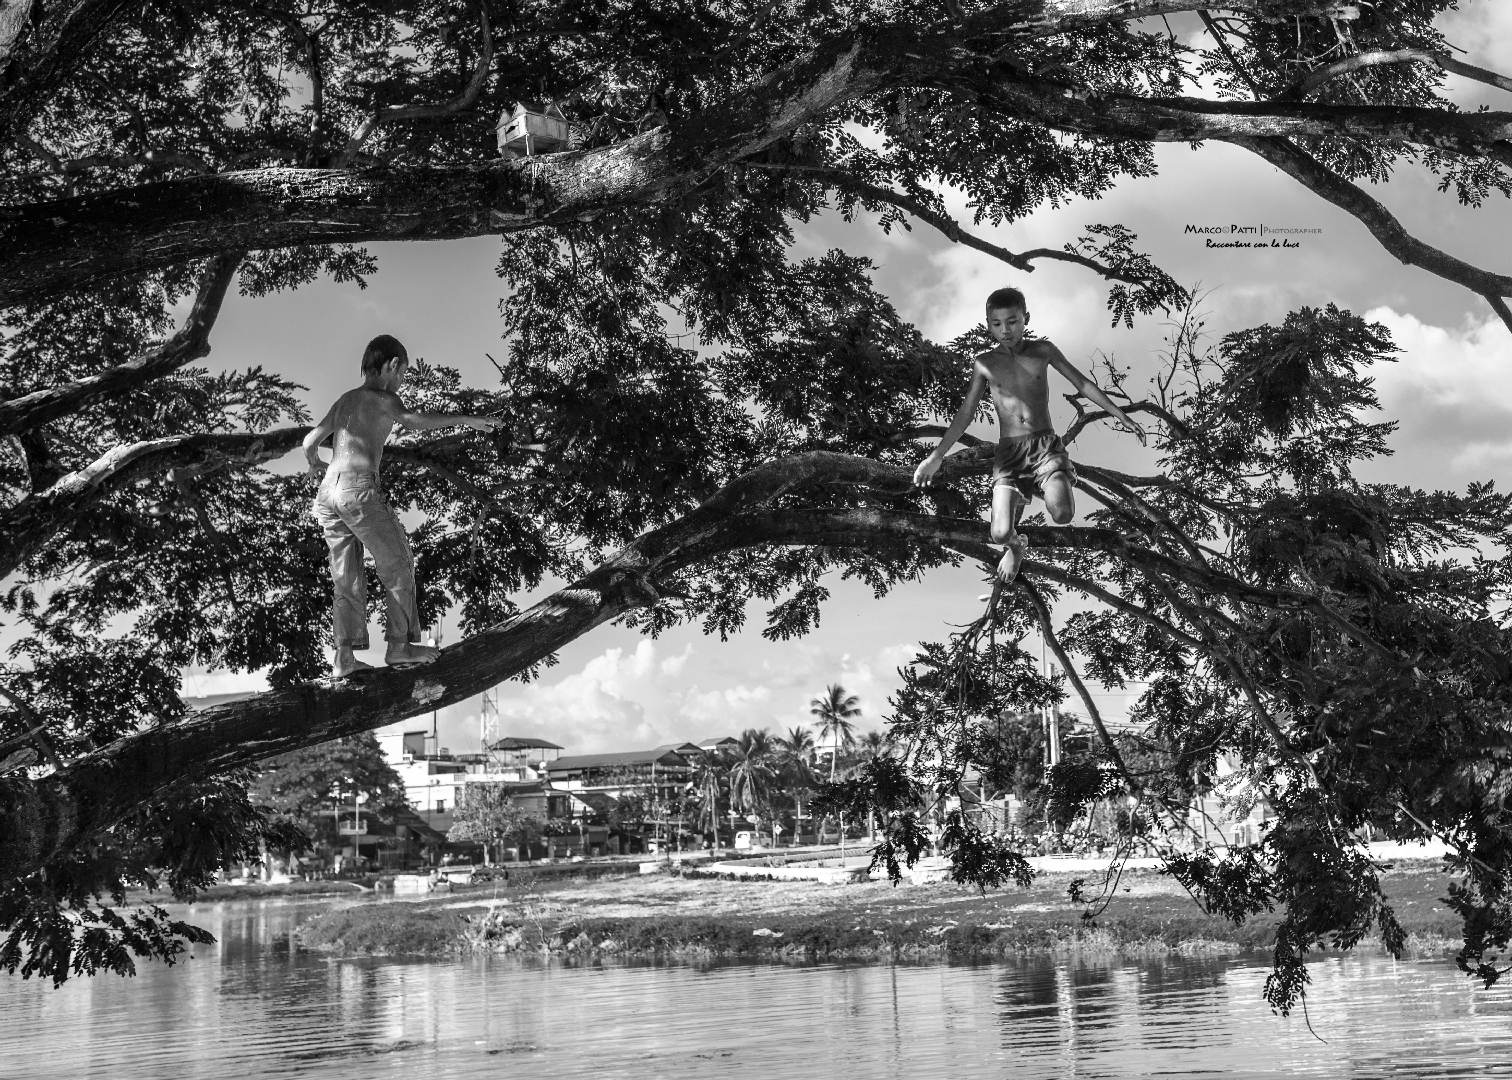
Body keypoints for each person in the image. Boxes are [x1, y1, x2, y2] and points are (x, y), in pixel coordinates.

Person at [913, 288, 1146, 584]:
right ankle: (1017, 545)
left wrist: (1120, 414)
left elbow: (1083, 382)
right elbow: (965, 413)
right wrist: (936, 457)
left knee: (1062, 515)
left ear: (1026, 319)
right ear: (988, 324)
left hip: (1045, 447)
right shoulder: (985, 363)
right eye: (996, 324)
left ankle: (1036, 488)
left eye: (1012, 321)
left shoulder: (1043, 351)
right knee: (999, 534)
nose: (1005, 330)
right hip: (1009, 453)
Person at [304, 334, 502, 677]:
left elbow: (309, 442)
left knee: (345, 576)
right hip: (357, 491)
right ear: (392, 365)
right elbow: (411, 421)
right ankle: (400, 645)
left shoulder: (345, 400)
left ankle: (344, 659)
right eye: (403, 373)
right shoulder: (383, 397)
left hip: (327, 495)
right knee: (398, 562)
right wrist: (466, 420)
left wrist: (314, 464)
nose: (402, 382)